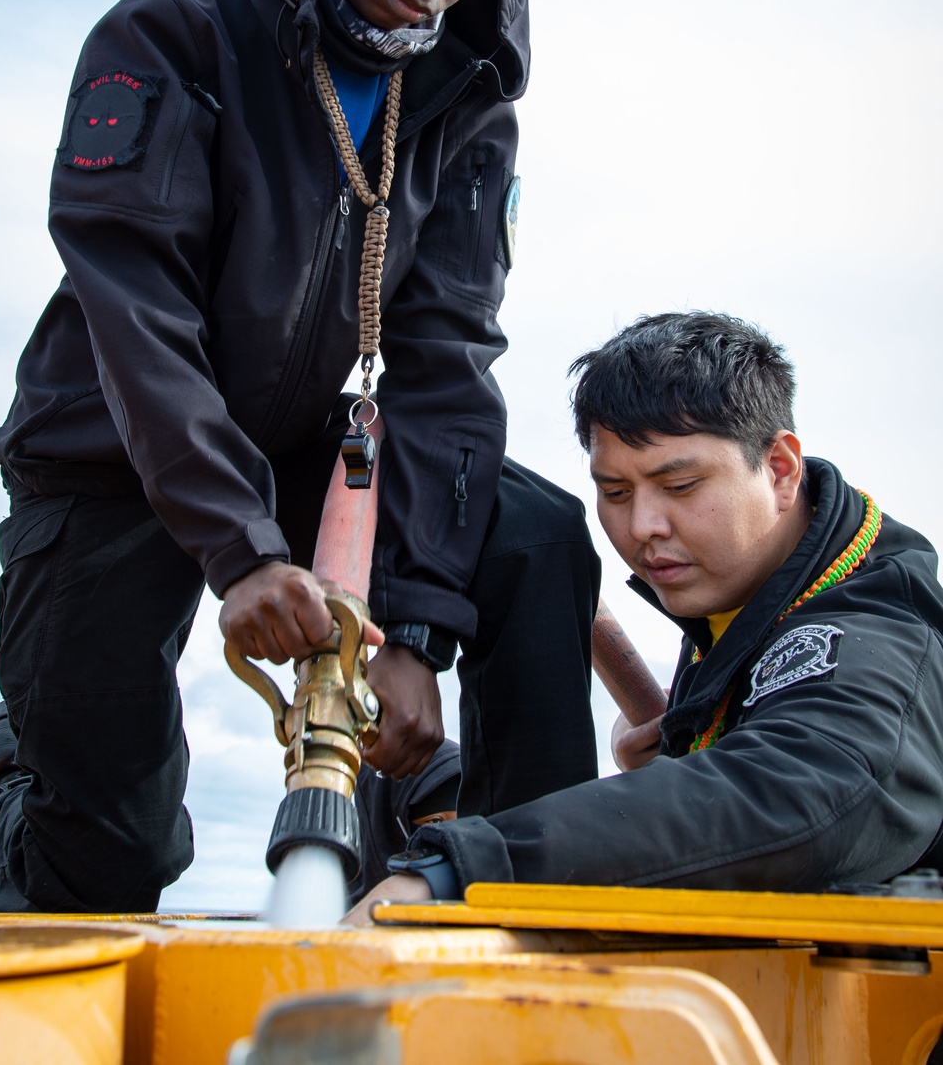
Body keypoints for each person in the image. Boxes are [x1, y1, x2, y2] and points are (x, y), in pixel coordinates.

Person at [0, 0, 601, 913]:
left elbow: (447, 354)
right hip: (111, 449)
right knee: (105, 867)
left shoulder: (472, 97)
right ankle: (24, 770)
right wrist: (241, 550)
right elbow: (135, 309)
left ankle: (494, 879)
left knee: (533, 538)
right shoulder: (170, 37)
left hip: (312, 444)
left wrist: (415, 630)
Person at [353, 311, 943, 915]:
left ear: (780, 470)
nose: (642, 528)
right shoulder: (745, 591)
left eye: (681, 486)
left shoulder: (879, 630)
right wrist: (694, 750)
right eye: (614, 492)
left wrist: (459, 871)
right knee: (385, 790)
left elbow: (813, 795)